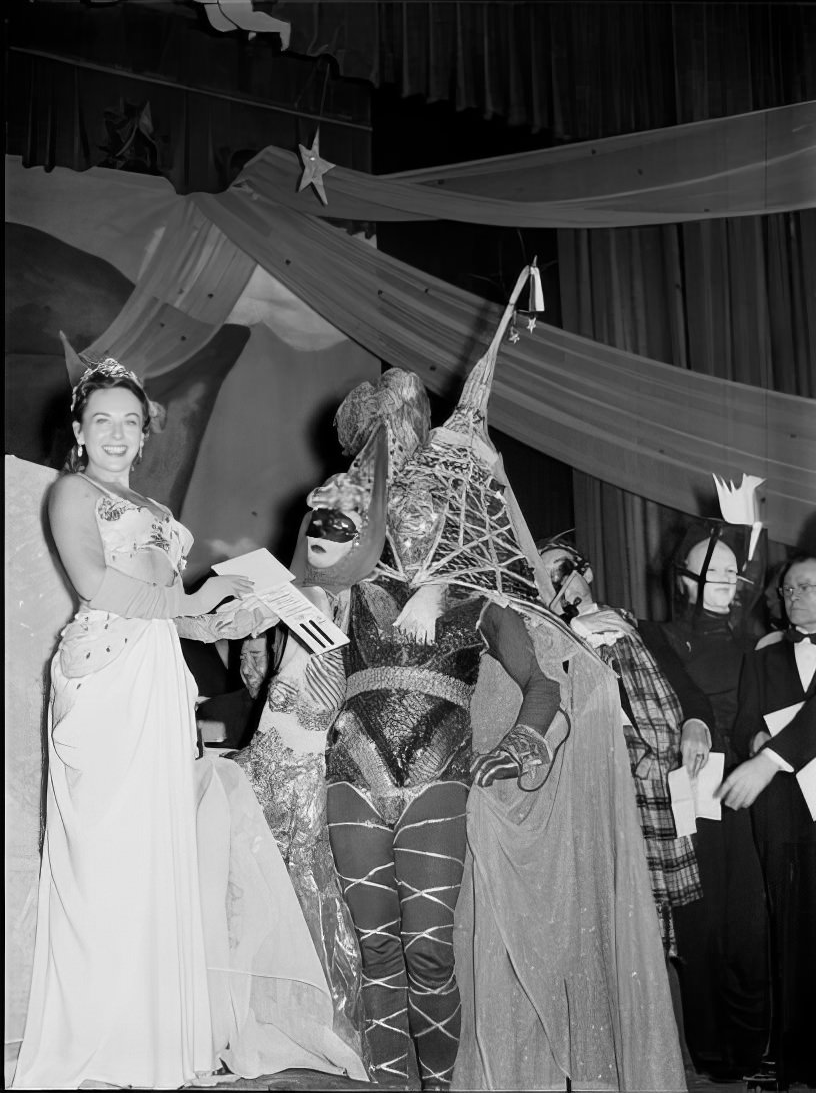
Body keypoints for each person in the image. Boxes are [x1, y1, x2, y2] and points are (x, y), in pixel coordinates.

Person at [322, 275, 686, 1091]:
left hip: (439, 775)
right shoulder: (343, 577)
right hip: (351, 772)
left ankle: (444, 1084)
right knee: (376, 947)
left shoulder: (477, 595)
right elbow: (294, 663)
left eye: (427, 500)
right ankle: (392, 1084)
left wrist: (523, 742)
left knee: (426, 948)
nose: (412, 508)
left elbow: (543, 685)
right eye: (396, 490)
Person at [10, 358, 366, 1089]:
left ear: (144, 436)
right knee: (105, 856)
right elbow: (98, 585)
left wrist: (247, 609)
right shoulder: (71, 493)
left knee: (154, 854)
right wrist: (199, 601)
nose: (116, 434)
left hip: (159, 676)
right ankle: (95, 1037)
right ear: (78, 430)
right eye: (101, 420)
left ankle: (150, 1042)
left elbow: (186, 619)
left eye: (130, 422)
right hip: (105, 675)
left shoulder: (159, 512)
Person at [230, 426, 391, 1070]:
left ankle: (318, 1019)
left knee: (301, 886)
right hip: (275, 751)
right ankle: (277, 1018)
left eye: (342, 524)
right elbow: (256, 677)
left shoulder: (360, 598)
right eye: (316, 520)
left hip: (308, 764)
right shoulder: (305, 593)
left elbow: (331, 692)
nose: (323, 533)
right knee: (264, 881)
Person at [535, 537, 710, 958]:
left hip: (676, 783)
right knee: (631, 930)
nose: (556, 583)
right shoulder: (547, 644)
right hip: (610, 790)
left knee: (688, 931)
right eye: (543, 577)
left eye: (561, 570)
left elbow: (689, 690)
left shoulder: (642, 627)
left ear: (586, 571)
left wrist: (697, 723)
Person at [639, 523, 770, 1081]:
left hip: (747, 793)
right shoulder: (655, 635)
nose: (723, 577)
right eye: (709, 569)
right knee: (700, 925)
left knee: (748, 923)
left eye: (729, 570)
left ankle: (751, 1048)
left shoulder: (757, 643)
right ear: (684, 581)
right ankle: (713, 1056)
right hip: (686, 794)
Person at [718, 553, 816, 1090]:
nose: (793, 597)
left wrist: (771, 755)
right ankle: (800, 1066)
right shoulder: (763, 659)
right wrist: (755, 743)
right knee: (796, 939)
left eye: (806, 586)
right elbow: (742, 725)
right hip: (789, 814)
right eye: (786, 591)